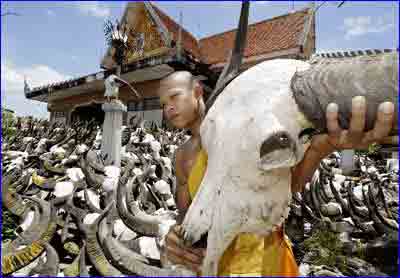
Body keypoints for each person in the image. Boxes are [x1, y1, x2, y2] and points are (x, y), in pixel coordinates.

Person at [158, 71, 395, 276]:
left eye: (174, 96)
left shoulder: (253, 126)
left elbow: (289, 186)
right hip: (217, 266)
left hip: (268, 259)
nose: (168, 107)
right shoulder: (181, 156)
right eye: (161, 104)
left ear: (198, 91)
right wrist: (173, 239)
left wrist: (323, 147)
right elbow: (186, 217)